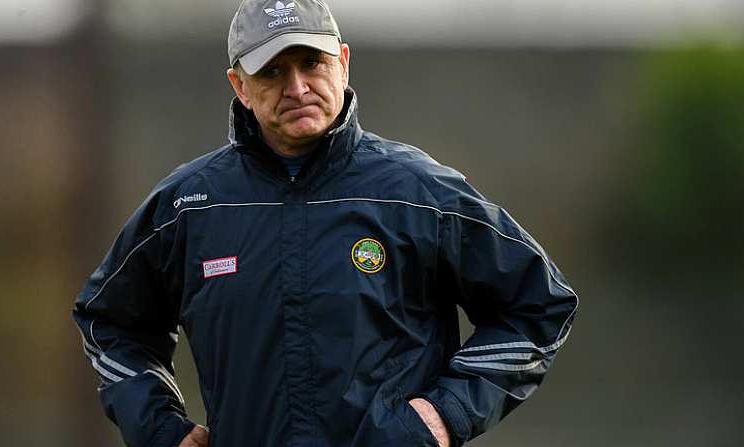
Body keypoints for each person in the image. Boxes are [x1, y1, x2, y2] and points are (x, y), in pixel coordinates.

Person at [72, 1, 579, 446]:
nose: (297, 87)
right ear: (240, 86)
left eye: (312, 62)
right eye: (272, 71)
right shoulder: (191, 205)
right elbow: (110, 322)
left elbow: (538, 306)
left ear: (342, 62)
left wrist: (443, 415)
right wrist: (162, 431)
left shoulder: (419, 193)